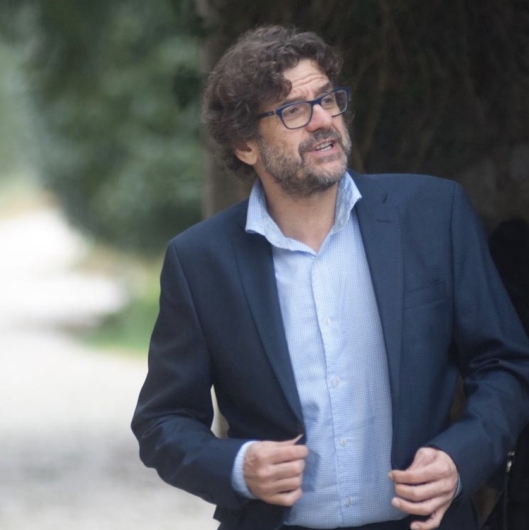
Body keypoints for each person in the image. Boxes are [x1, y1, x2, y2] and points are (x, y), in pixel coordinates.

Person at [131, 25, 529, 530]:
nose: (323, 120)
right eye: (293, 110)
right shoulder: (200, 261)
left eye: (327, 99)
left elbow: (504, 362)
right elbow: (163, 422)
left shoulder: (433, 214)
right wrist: (237, 468)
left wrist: (461, 458)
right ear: (246, 145)